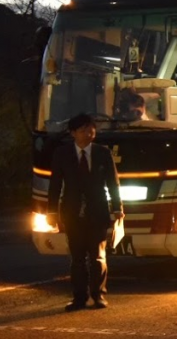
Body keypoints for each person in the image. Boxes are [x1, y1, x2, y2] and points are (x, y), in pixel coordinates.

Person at [48, 113, 124, 311]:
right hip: (72, 212)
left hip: (97, 211)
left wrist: (118, 208)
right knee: (77, 259)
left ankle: (98, 295)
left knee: (98, 256)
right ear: (73, 133)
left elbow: (113, 184)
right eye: (83, 130)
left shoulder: (103, 153)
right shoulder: (62, 153)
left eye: (91, 129)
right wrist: (52, 212)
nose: (89, 133)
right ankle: (79, 298)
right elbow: (55, 184)